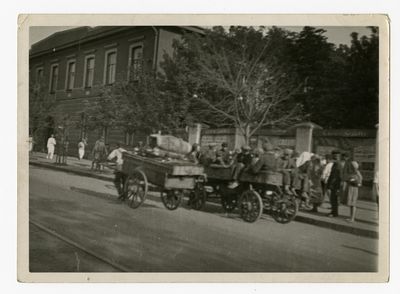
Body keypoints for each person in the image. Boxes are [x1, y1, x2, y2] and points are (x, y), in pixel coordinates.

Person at [326, 151, 342, 217]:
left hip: (336, 184)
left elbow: (337, 176)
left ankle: (334, 213)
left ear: (338, 157)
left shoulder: (338, 165)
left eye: (336, 157)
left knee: (334, 199)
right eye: (334, 156)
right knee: (333, 199)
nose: (334, 158)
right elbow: (331, 175)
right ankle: (333, 211)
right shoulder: (334, 164)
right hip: (333, 184)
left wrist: (332, 185)